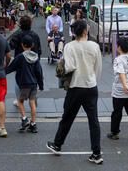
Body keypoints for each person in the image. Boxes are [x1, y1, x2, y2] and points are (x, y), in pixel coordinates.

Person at [47, 20, 103, 165]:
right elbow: (98, 68)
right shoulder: (95, 46)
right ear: (85, 31)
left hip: (75, 86)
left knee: (67, 117)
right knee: (93, 120)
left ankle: (57, 144)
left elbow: (70, 66)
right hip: (91, 86)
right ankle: (96, 153)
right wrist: (93, 79)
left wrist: (62, 68)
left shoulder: (70, 46)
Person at [6, 35, 44, 133]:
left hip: (24, 83)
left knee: (20, 101)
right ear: (32, 45)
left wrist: (3, 72)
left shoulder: (20, 57)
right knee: (32, 103)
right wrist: (41, 84)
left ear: (22, 45)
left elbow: (11, 67)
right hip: (34, 84)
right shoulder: (35, 57)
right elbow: (39, 72)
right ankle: (33, 123)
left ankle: (24, 119)